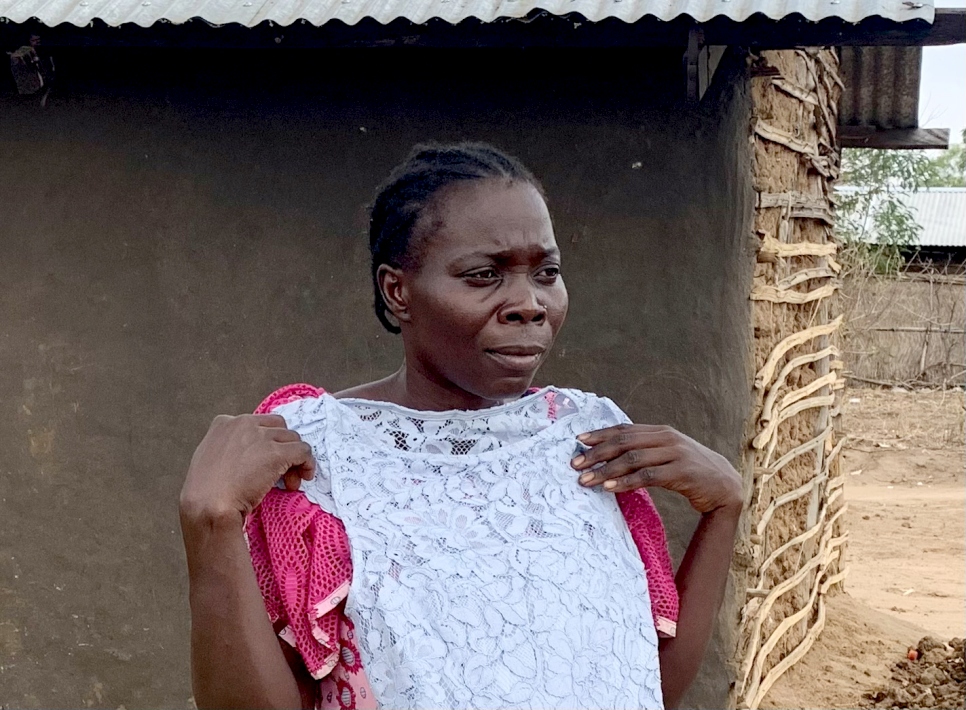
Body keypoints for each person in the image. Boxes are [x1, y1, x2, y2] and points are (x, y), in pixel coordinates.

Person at [180, 142, 743, 710]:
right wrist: (211, 522)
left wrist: (723, 510)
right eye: (483, 275)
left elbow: (644, 684)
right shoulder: (314, 455)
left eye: (546, 272)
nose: (529, 303)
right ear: (397, 291)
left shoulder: (590, 439)